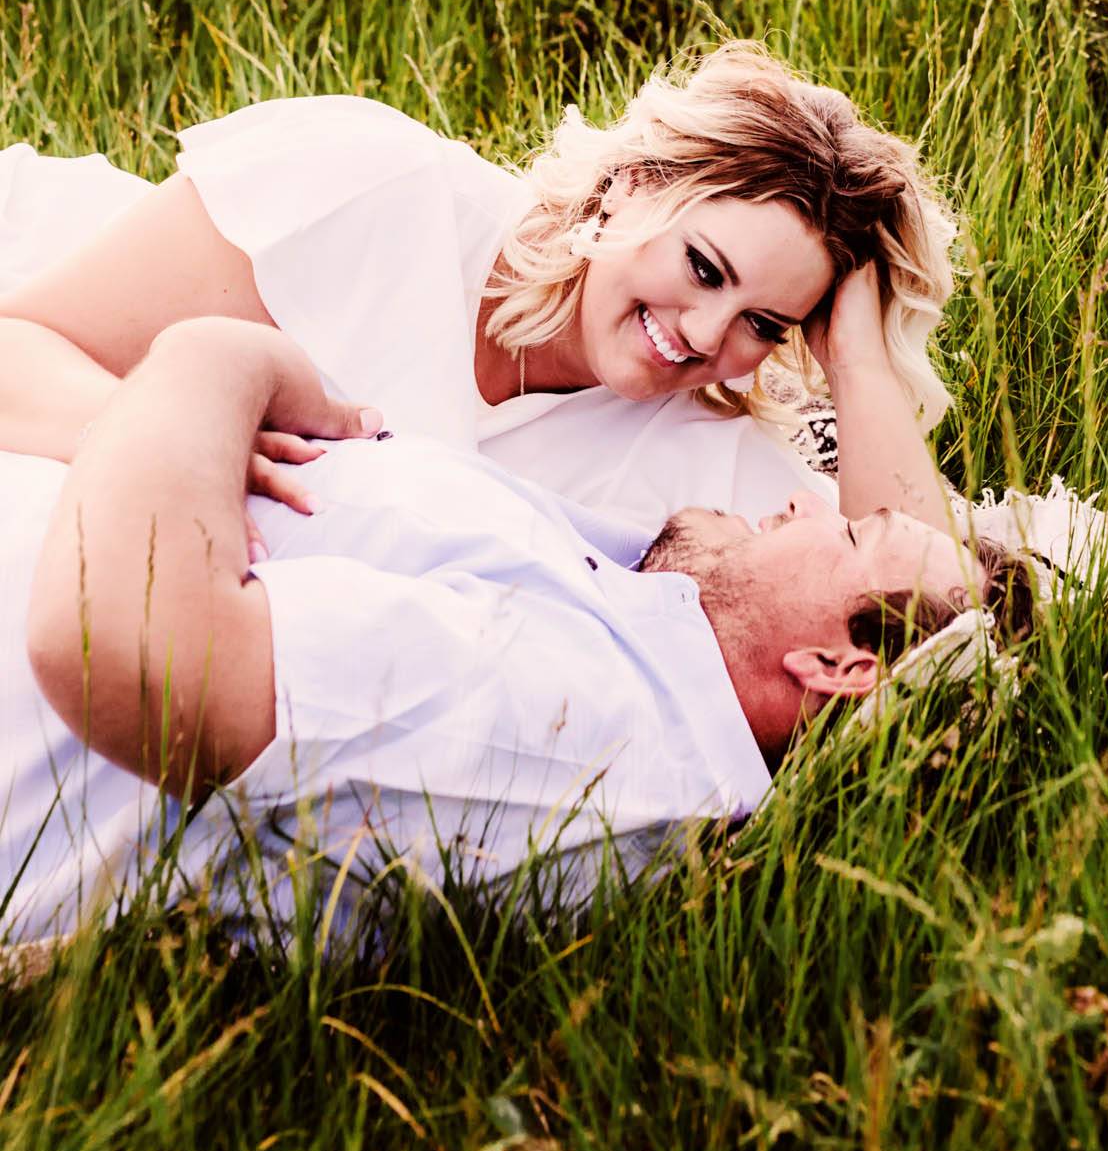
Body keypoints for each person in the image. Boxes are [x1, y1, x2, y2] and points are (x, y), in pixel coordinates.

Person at [3, 320, 1033, 949]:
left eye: (847, 529)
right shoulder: (645, 631)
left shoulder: (586, 728)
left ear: (836, 668)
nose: (805, 506)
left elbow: (119, 645)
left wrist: (217, 362)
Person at [0, 45, 958, 537]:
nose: (705, 335)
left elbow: (917, 606)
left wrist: (860, 361)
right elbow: (19, 349)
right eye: (704, 267)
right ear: (628, 184)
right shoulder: (372, 187)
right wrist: (176, 450)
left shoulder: (696, 450)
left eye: (763, 322)